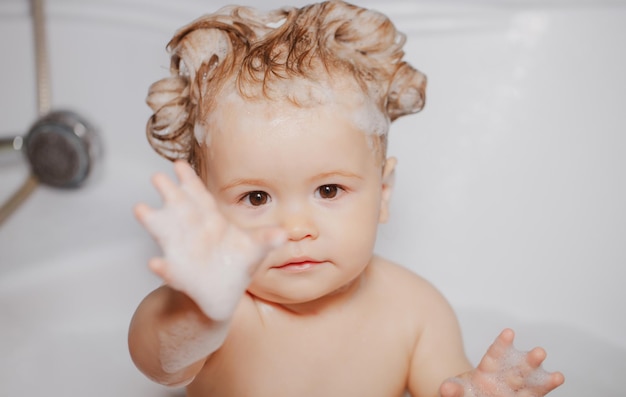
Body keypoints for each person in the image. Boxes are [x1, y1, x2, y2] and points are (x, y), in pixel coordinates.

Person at [128, 1, 565, 396]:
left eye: (328, 190)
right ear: (207, 210)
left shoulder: (414, 310)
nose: (296, 229)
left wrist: (477, 391)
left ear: (383, 194)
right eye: (256, 197)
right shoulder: (217, 311)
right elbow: (162, 364)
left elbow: (446, 386)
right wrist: (203, 311)